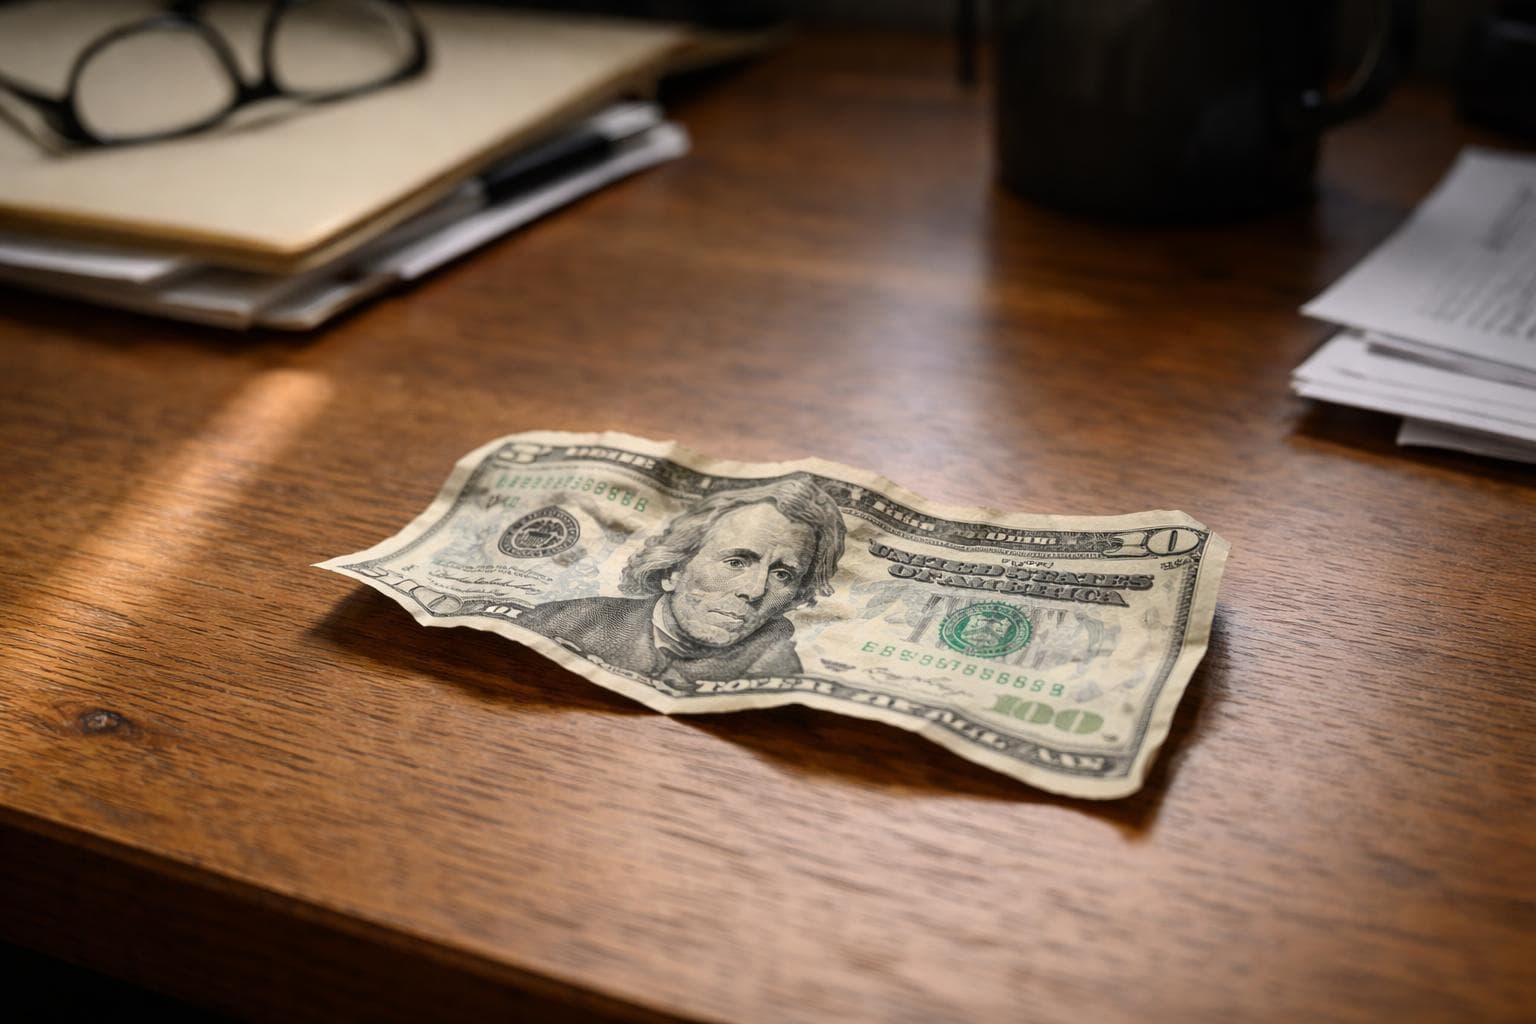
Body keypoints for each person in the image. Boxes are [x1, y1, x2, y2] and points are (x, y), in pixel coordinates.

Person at [516, 476, 846, 687]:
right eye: (736, 562)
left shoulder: (778, 671)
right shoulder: (562, 621)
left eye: (782, 574)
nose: (755, 590)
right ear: (673, 568)